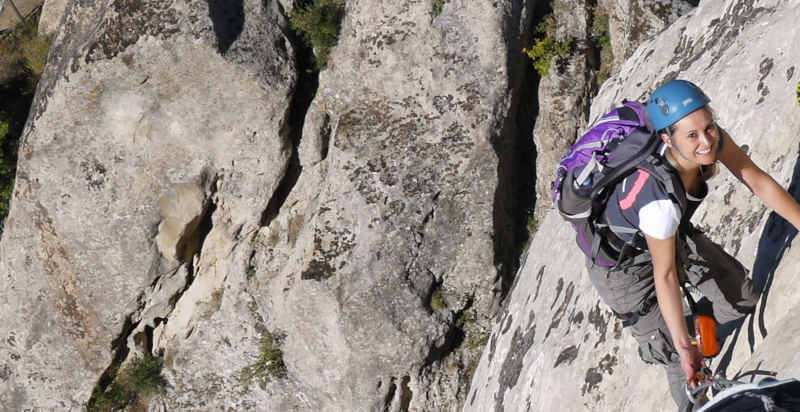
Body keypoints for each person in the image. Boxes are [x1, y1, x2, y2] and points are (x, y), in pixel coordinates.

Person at [585, 79, 800, 411]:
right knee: (681, 361)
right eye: (693, 136)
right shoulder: (658, 203)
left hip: (671, 233)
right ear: (667, 139)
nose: (706, 142)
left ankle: (685, 325)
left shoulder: (708, 140)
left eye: (709, 127)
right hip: (623, 268)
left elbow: (756, 180)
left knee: (741, 298)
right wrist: (685, 349)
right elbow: (666, 274)